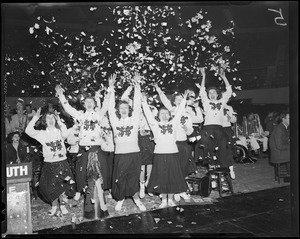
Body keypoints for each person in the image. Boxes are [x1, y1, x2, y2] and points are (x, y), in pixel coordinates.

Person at [55, 81, 111, 202]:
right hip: (83, 148)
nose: (89, 103)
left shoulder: (98, 115)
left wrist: (109, 89)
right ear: (83, 104)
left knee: (99, 172)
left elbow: (106, 105)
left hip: (96, 148)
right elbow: (68, 108)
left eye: (91, 102)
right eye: (87, 102)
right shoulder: (80, 115)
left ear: (94, 103)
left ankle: (99, 194)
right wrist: (61, 95)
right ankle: (80, 190)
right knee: (82, 172)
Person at [141, 90, 189, 208]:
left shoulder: (174, 123)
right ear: (158, 116)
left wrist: (184, 99)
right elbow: (147, 113)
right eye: (161, 113)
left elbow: (179, 113)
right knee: (162, 177)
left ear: (169, 115)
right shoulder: (154, 125)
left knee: (172, 176)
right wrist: (144, 102)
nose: (164, 115)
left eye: (166, 113)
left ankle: (171, 199)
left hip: (172, 153)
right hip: (159, 154)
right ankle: (163, 201)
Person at [25, 108, 76, 216]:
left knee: (64, 185)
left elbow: (66, 134)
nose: (51, 120)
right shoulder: (42, 134)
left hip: (62, 162)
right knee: (50, 187)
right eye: (48, 118)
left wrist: (60, 122)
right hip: (49, 164)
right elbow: (28, 131)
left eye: (52, 118)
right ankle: (54, 206)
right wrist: (35, 118)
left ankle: (62, 205)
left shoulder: (60, 131)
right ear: (45, 121)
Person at [108, 72, 146, 212]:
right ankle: (121, 198)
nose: (123, 109)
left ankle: (136, 199)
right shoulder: (114, 120)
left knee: (134, 176)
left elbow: (137, 105)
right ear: (118, 110)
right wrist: (111, 88)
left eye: (125, 108)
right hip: (120, 154)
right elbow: (110, 108)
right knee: (120, 177)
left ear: (128, 110)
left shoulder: (134, 119)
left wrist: (137, 85)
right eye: (121, 108)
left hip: (134, 153)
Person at [154, 84, 196, 201]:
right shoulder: (170, 113)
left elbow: (190, 131)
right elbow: (163, 98)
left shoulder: (187, 115)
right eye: (176, 100)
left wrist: (187, 129)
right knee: (172, 169)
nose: (178, 101)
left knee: (183, 168)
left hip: (183, 144)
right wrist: (158, 89)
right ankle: (174, 191)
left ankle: (180, 189)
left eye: (181, 100)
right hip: (172, 145)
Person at [195, 67, 235, 178]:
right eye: (210, 93)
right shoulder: (206, 102)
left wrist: (224, 77)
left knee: (223, 150)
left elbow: (229, 91)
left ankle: (227, 170)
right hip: (208, 129)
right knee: (209, 153)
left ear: (217, 94)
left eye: (214, 93)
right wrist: (203, 76)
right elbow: (202, 90)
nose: (212, 94)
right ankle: (212, 176)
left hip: (219, 129)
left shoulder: (222, 102)